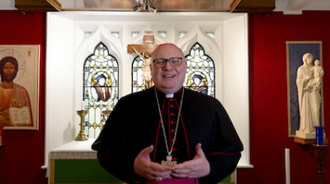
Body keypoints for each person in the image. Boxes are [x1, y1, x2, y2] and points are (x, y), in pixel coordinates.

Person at [92, 43, 243, 184]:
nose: (168, 67)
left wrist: (210, 167)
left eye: (175, 61)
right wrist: (132, 165)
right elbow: (105, 150)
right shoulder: (128, 105)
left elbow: (232, 151)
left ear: (185, 66)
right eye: (160, 62)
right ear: (151, 68)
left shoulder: (210, 106)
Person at [0, 56, 33, 126]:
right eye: (6, 68)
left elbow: (28, 120)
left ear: (16, 70)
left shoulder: (22, 92)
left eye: (11, 68)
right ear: (1, 70)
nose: (9, 71)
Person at [296, 53, 323, 134]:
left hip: (314, 91)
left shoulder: (315, 68)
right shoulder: (301, 69)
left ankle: (316, 128)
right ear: (305, 59)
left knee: (316, 109)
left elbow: (320, 77)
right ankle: (307, 128)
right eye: (308, 58)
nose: (310, 59)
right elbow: (298, 81)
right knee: (306, 110)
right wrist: (305, 79)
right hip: (306, 92)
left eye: (311, 58)